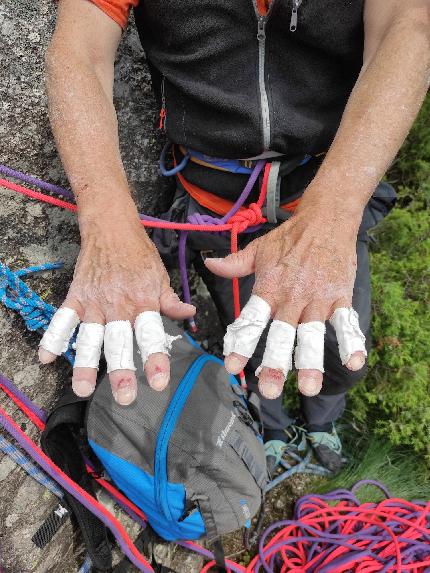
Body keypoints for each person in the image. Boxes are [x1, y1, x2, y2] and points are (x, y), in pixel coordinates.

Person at [39, 0, 430, 473]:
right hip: (220, 208)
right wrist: (107, 226)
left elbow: (408, 28)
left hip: (325, 190)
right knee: (248, 339)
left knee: (344, 348)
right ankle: (274, 424)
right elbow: (80, 48)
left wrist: (334, 219)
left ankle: (324, 417)